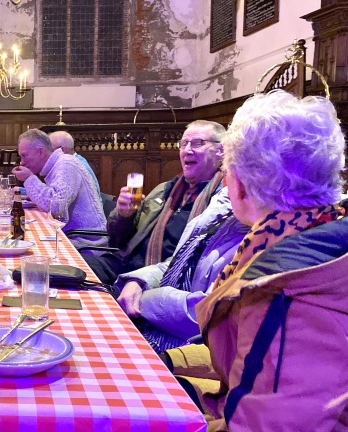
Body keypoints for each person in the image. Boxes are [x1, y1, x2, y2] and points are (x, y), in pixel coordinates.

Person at [163, 90, 347, 431]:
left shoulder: (290, 289)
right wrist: (168, 361)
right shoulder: (310, 235)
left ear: (241, 186)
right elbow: (247, 354)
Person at [83, 120, 226, 285]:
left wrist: (141, 280)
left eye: (197, 143)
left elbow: (195, 262)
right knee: (70, 268)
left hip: (158, 280)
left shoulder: (220, 201)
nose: (187, 150)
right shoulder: (166, 189)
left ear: (220, 151)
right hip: (123, 263)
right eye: (183, 143)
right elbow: (117, 240)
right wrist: (124, 216)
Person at [114, 188, 248, 353]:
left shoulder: (265, 236)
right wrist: (138, 281)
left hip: (190, 349)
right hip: (135, 271)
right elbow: (177, 263)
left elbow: (210, 317)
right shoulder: (169, 189)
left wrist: (146, 300)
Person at [11, 129, 108, 250]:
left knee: (32, 253)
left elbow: (56, 207)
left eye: (24, 156)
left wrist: (29, 178)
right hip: (70, 237)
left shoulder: (66, 164)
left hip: (87, 244)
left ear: (40, 152)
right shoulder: (58, 164)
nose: (22, 162)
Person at [49, 131, 102, 201]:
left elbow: (58, 202)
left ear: (62, 150)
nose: (49, 154)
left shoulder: (73, 166)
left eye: (51, 150)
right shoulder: (74, 161)